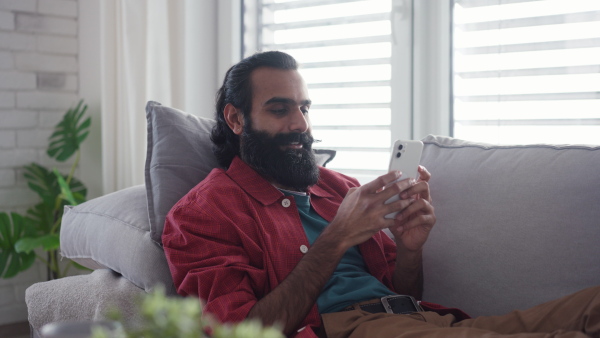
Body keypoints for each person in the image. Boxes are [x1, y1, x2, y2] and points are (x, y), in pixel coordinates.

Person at [162, 51, 600, 338]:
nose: (300, 124)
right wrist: (337, 236)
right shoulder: (201, 215)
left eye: (304, 107)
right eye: (280, 109)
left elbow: (398, 289)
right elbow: (240, 331)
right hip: (344, 329)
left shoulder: (341, 189)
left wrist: (409, 250)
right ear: (236, 119)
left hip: (419, 321)